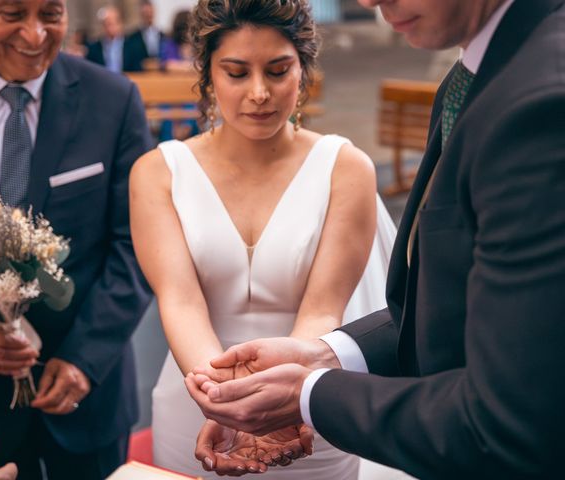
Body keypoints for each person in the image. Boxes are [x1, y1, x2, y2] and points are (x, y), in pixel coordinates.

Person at [186, 0, 565, 478]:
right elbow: (461, 303)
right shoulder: (484, 66)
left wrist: (310, 394)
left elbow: (509, 423)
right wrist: (327, 354)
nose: (367, 2)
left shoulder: (549, 101)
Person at [129, 0, 397, 478]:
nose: (259, 93)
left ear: (303, 70)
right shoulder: (158, 173)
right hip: (197, 398)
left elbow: (322, 309)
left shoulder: (346, 168)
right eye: (236, 72)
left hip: (307, 404)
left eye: (277, 71)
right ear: (208, 75)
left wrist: (281, 401)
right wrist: (224, 402)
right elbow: (181, 303)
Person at [0, 0, 152, 478]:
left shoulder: (114, 99)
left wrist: (85, 358)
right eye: (12, 13)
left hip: (86, 393)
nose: (36, 33)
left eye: (51, 13)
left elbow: (139, 245)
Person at [86, 6, 128, 73]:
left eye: (111, 24)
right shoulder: (94, 48)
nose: (109, 28)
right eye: (105, 24)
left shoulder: (131, 45)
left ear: (119, 24)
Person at [125, 0, 164, 72]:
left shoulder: (163, 36)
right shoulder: (133, 38)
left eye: (150, 13)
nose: (148, 16)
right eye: (145, 14)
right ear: (141, 14)